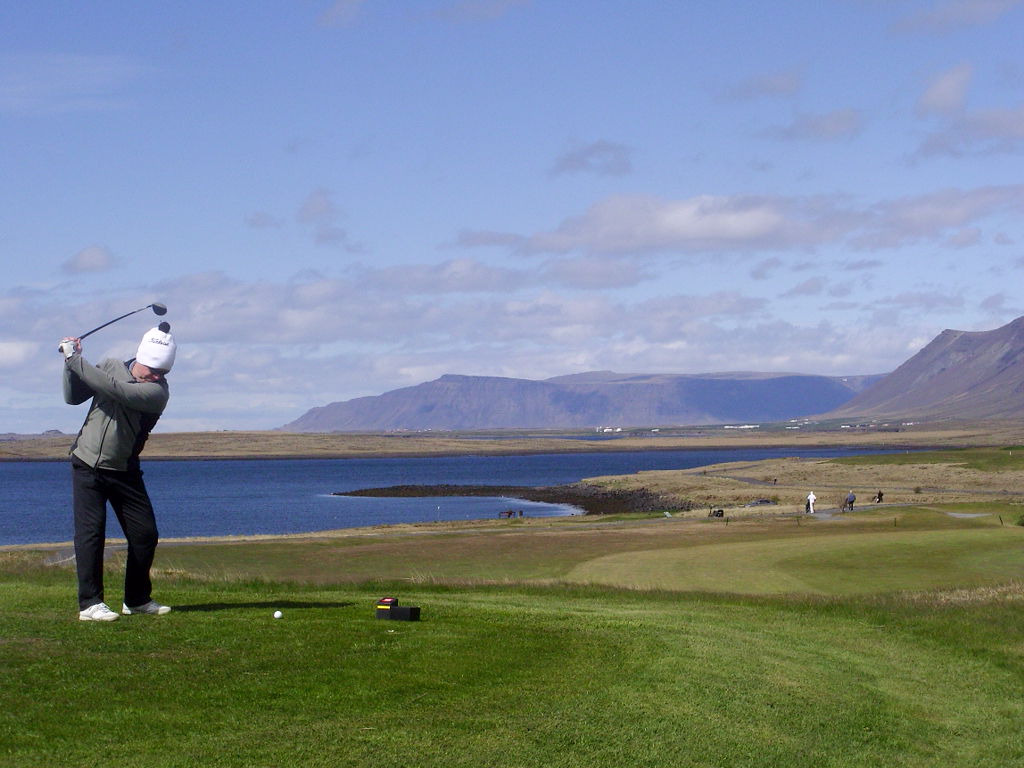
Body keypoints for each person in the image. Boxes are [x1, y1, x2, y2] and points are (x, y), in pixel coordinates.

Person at [60, 323, 176, 622]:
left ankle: (136, 600)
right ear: (141, 358)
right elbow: (73, 396)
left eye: (163, 372)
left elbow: (117, 389)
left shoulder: (156, 392)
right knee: (90, 534)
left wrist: (75, 359)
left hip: (124, 469)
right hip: (86, 463)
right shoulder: (110, 365)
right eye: (153, 370)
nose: (157, 376)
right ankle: (90, 604)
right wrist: (69, 365)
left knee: (145, 534)